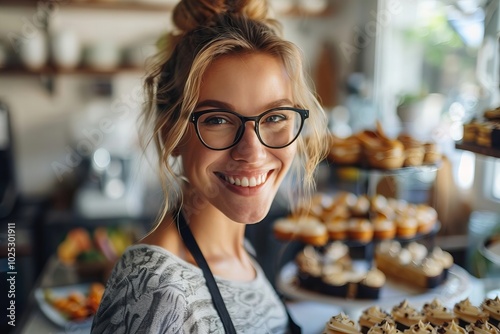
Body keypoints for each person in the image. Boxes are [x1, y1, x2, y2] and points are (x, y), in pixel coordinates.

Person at [91, 0, 329, 333]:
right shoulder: (156, 289)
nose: (252, 150)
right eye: (217, 119)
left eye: (275, 117)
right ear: (171, 135)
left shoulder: (241, 251)